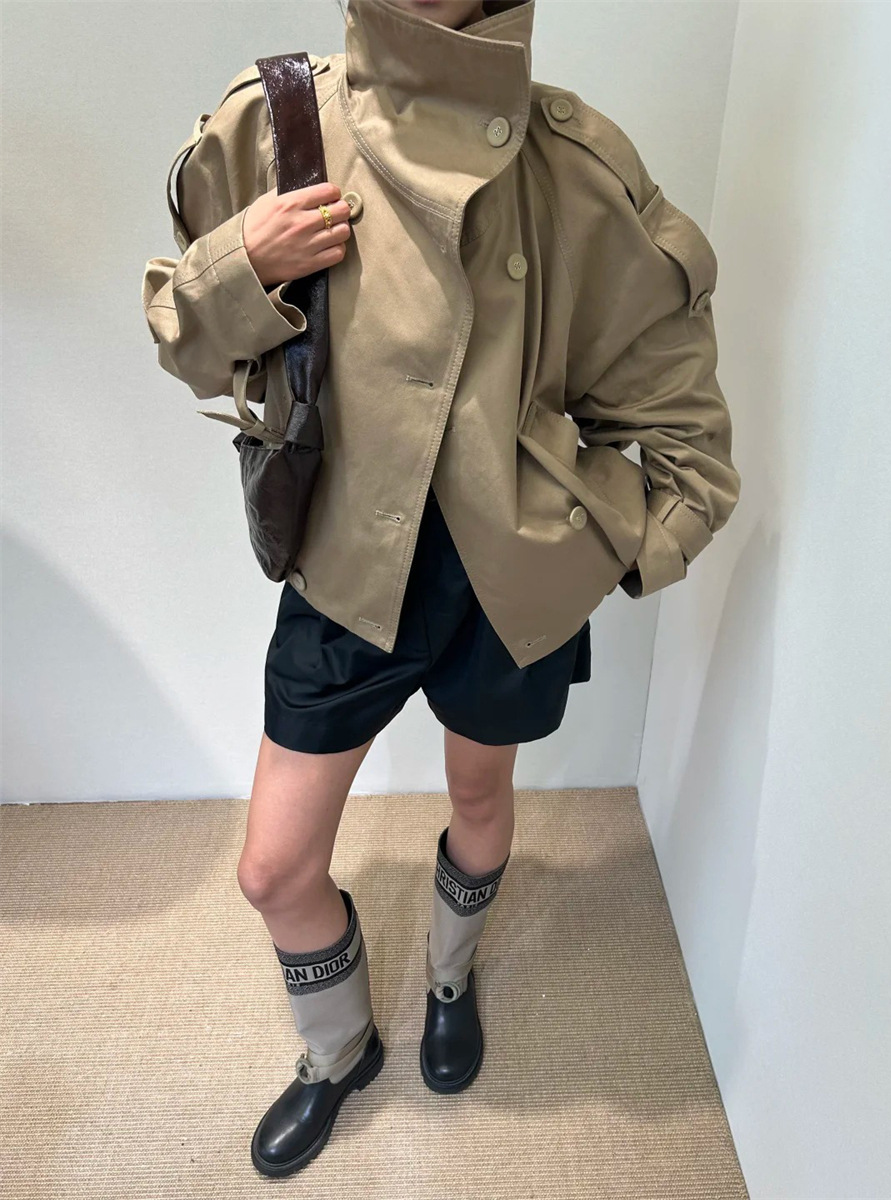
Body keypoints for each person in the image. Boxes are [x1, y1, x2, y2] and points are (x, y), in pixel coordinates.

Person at [141, 0, 740, 1179]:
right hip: (344, 567)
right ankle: (338, 1048)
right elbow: (181, 338)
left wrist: (603, 546)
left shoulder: (575, 168)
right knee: (272, 867)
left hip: (501, 587)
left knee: (480, 798)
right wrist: (245, 264)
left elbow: (688, 440)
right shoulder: (278, 122)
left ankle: (451, 981)